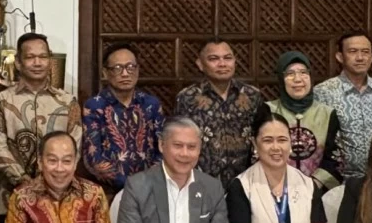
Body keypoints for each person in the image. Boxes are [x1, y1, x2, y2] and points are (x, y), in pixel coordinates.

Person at [0, 32, 82, 196]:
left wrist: (52, 180)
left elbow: (75, 145)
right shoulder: (1, 101)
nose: (37, 63)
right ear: (18, 62)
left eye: (43, 57)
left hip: (59, 191)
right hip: (13, 192)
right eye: (30, 57)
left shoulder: (68, 102)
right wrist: (24, 180)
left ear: (50, 60)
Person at [175, 37, 271, 187]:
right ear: (200, 64)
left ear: (235, 61)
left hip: (247, 183)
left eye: (228, 58)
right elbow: (178, 142)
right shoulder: (187, 98)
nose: (222, 64)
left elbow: (263, 137)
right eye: (214, 59)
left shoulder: (252, 96)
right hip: (201, 183)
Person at [82, 42, 164, 197]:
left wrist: (147, 183)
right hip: (109, 193)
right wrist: (130, 185)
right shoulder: (95, 106)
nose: (125, 74)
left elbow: (162, 149)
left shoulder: (151, 104)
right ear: (105, 73)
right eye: (118, 68)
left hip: (150, 191)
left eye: (131, 67)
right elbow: (93, 157)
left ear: (138, 70)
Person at [313, 31, 372, 179]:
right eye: (353, 51)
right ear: (340, 57)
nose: (360, 57)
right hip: (339, 180)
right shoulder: (324, 91)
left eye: (365, 52)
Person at [265, 52, 344, 189]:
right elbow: (259, 153)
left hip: (318, 192)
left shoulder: (327, 114)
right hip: (274, 189)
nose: (298, 79)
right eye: (290, 74)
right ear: (281, 79)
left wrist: (313, 186)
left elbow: (336, 159)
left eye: (303, 73)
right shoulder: (268, 111)